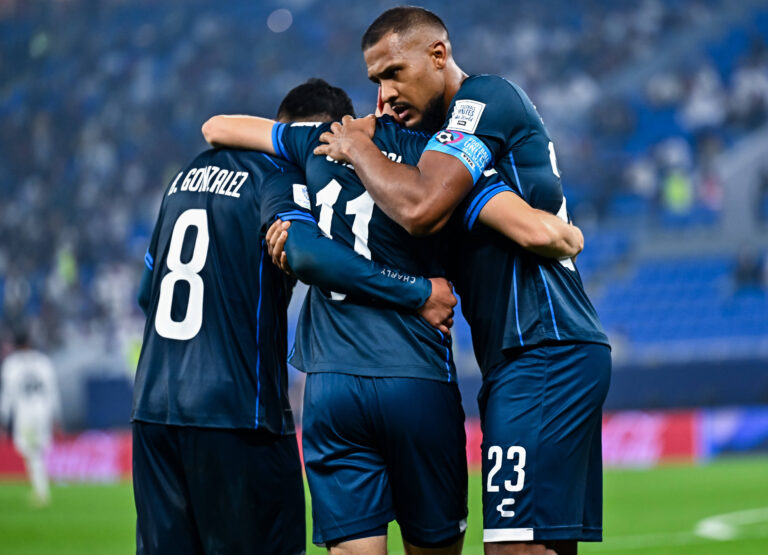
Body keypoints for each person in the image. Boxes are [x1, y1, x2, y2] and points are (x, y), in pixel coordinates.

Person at [201, 88, 583, 555]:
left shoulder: (307, 151)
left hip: (332, 382)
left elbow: (217, 127)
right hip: (416, 377)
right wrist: (567, 234)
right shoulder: (435, 161)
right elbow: (537, 230)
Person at [313, 7, 613, 555]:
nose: (384, 94)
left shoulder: (485, 99)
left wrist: (356, 146)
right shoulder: (436, 147)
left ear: (438, 55)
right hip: (512, 357)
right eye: (375, 80)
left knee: (512, 547)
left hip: (545, 345)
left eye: (394, 72)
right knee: (531, 543)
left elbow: (423, 206)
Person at [133, 78, 455, 555]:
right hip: (239, 410)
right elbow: (309, 254)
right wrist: (416, 291)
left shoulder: (185, 176)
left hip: (152, 410)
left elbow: (147, 292)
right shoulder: (280, 176)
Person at [0, 327, 60, 507]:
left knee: (31, 452)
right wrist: (56, 416)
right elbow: (52, 392)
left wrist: (3, 419)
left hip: (25, 414)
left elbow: (8, 395)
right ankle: (40, 489)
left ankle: (41, 492)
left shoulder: (11, 364)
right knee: (36, 451)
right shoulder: (43, 362)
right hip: (43, 412)